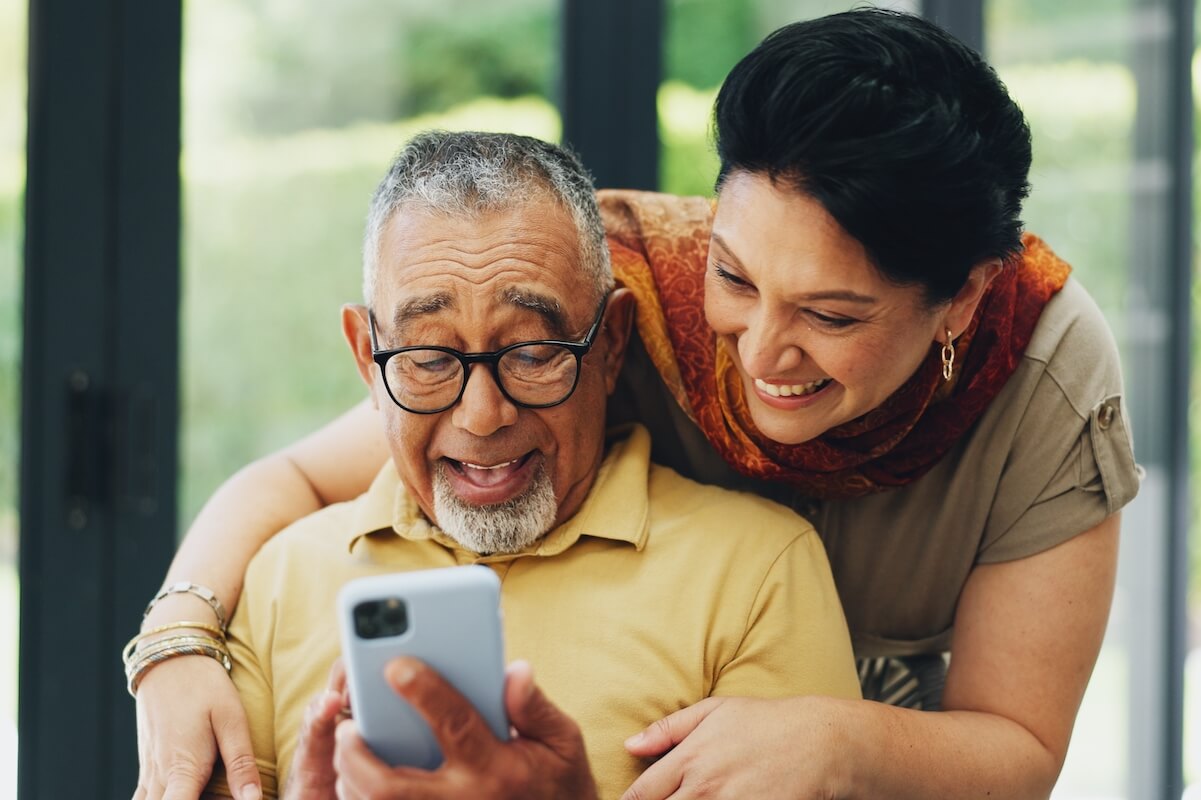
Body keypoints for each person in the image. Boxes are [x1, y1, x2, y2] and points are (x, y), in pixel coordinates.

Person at [137, 9, 1140, 799]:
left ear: (960, 296)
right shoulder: (620, 294)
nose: (760, 350)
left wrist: (835, 735)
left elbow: (1019, 746)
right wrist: (173, 647)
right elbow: (305, 477)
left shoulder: (1040, 373)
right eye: (736, 277)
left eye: (830, 313)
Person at [131, 130, 857, 800]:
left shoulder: (756, 568)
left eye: (534, 352)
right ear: (366, 356)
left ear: (609, 347)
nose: (481, 416)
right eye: (426, 357)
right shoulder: (276, 576)